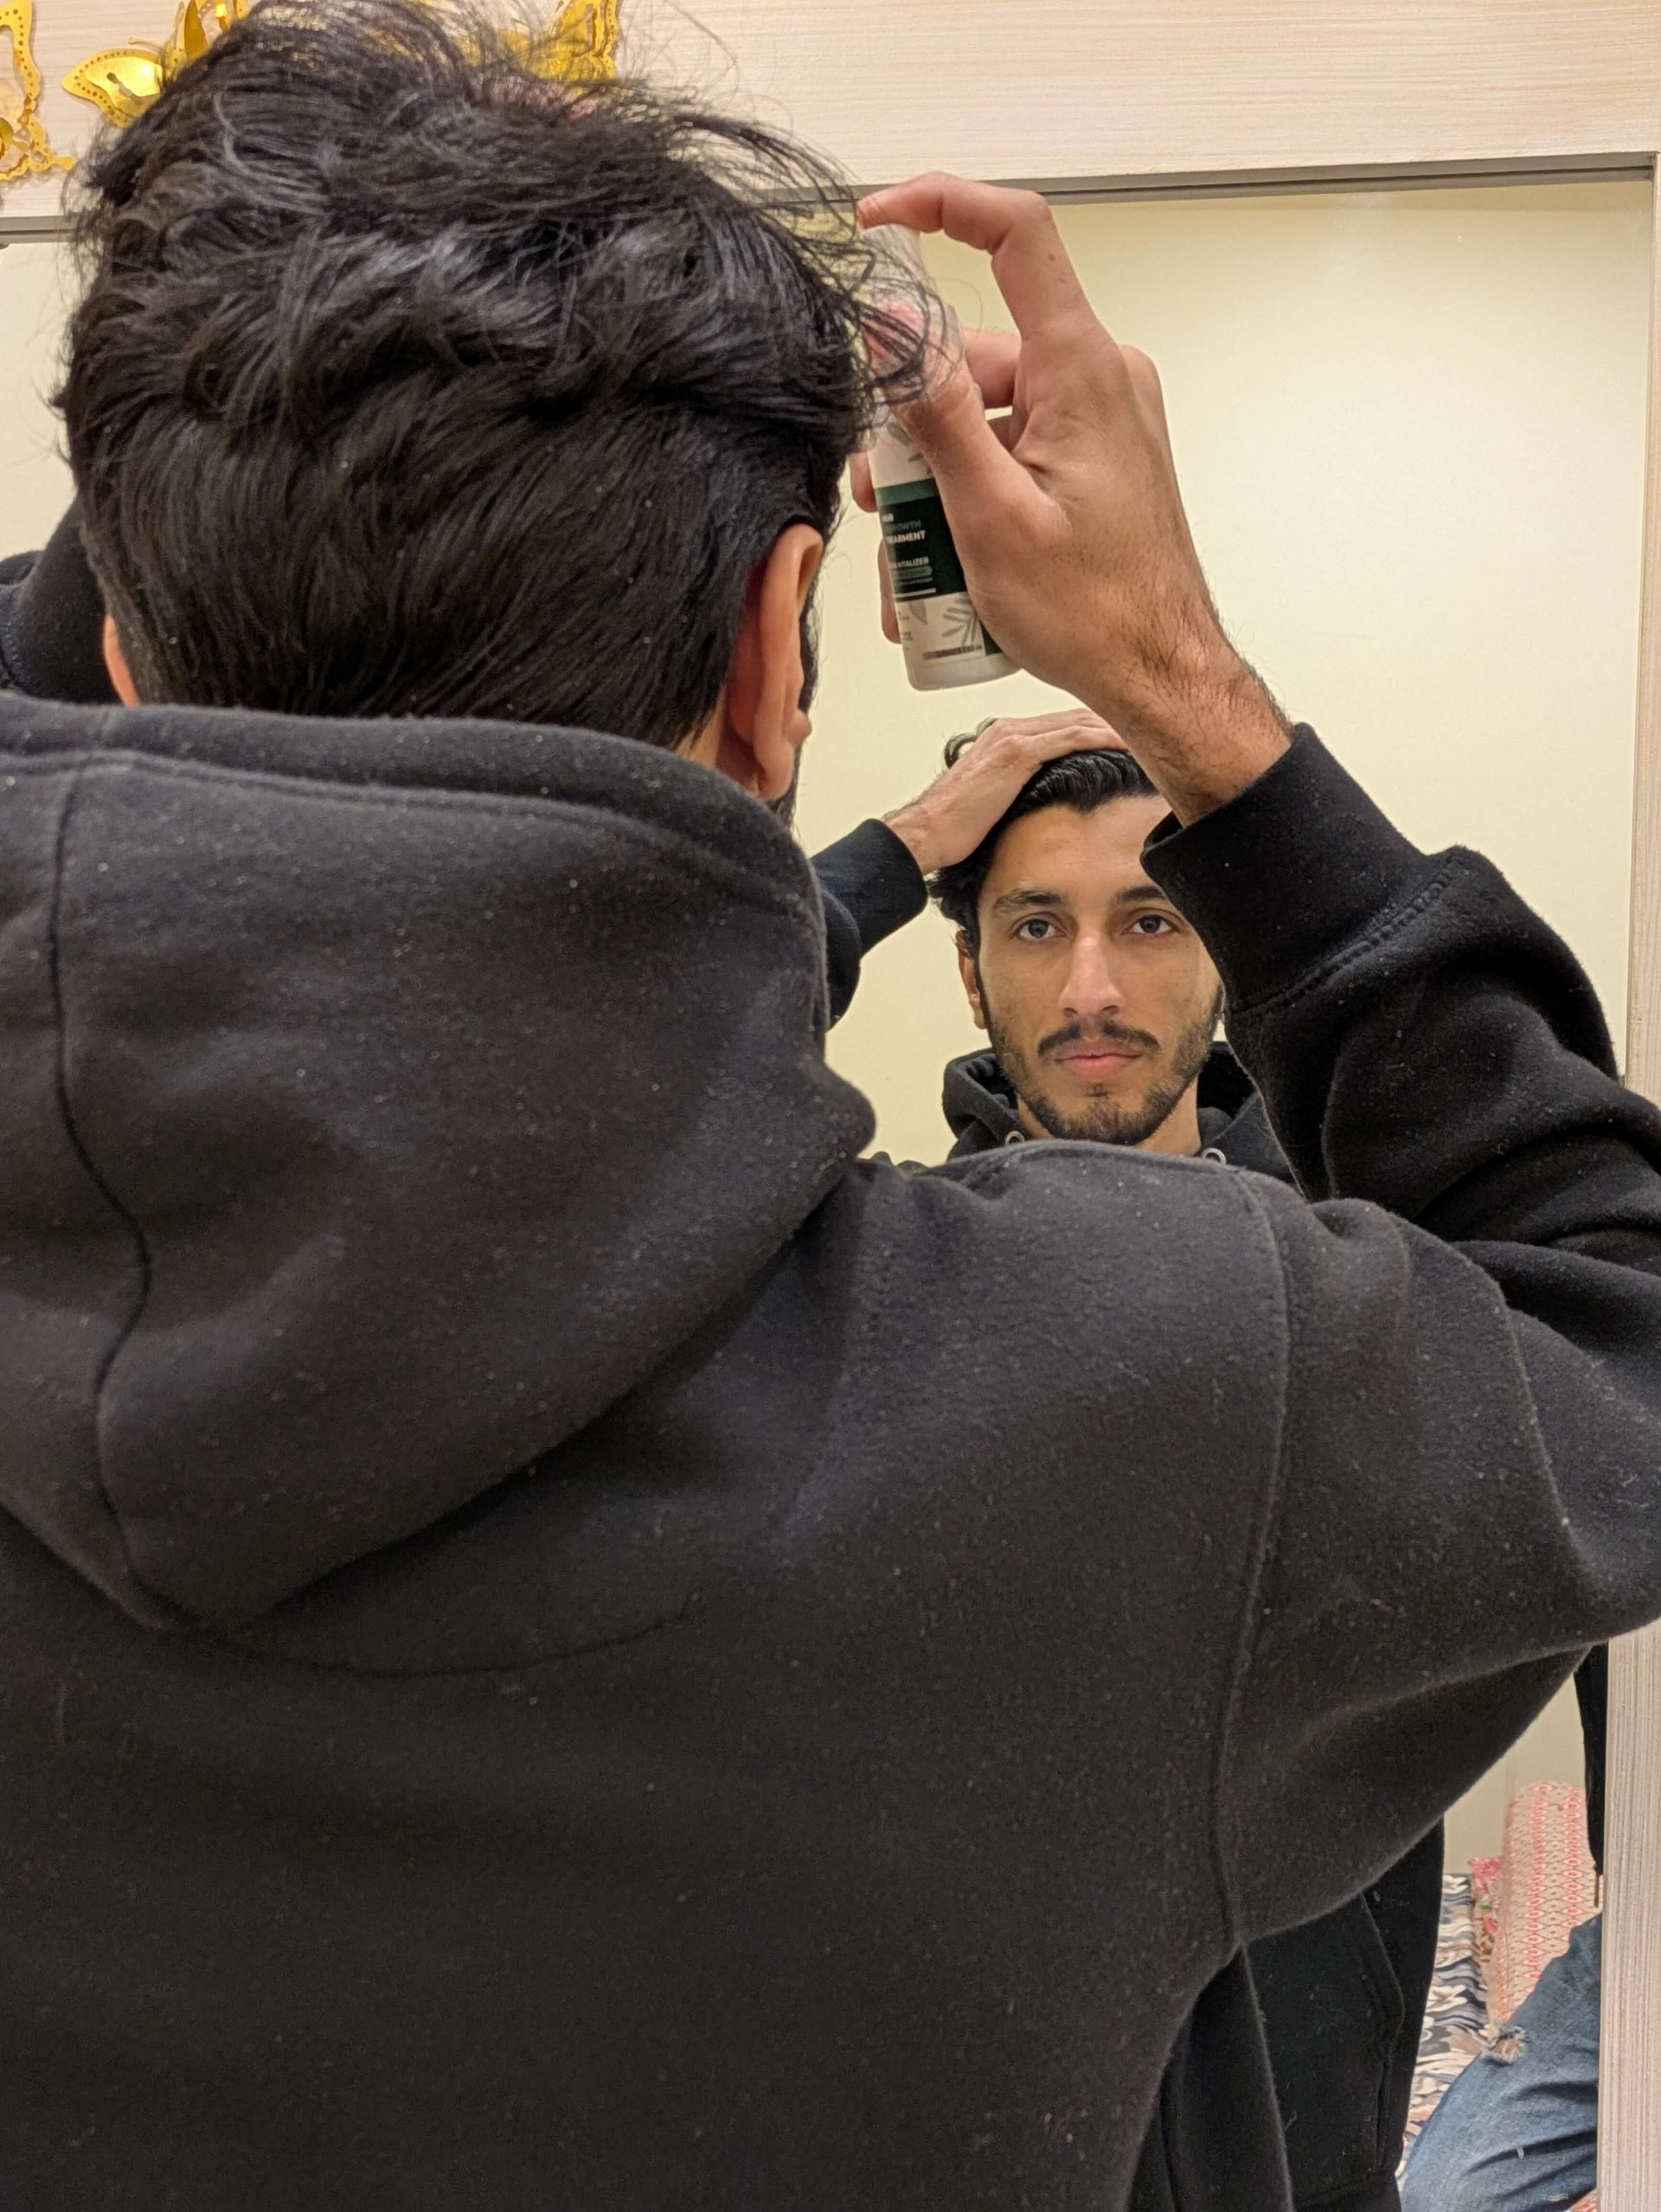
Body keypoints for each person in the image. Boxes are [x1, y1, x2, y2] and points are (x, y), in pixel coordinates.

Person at [4, 8, 1661, 2210]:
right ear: (783, 645)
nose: (1094, 984)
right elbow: (1619, 1330)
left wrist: (217, 442)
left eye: (1150, 922)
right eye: (1040, 924)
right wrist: (1187, 678)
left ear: (116, 644)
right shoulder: (1145, 1395)